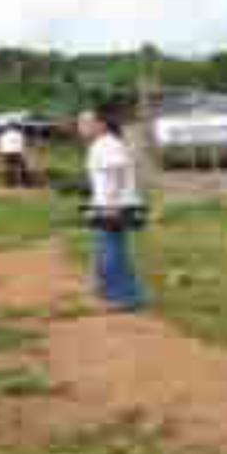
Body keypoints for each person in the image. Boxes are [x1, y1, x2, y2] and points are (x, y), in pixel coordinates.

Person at [77, 109, 148, 313]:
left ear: (101, 124)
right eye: (80, 122)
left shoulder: (107, 144)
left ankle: (128, 297)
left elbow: (117, 172)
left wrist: (111, 205)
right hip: (107, 204)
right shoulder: (101, 144)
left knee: (112, 252)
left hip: (116, 206)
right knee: (104, 249)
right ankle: (108, 291)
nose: (81, 127)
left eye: (85, 122)